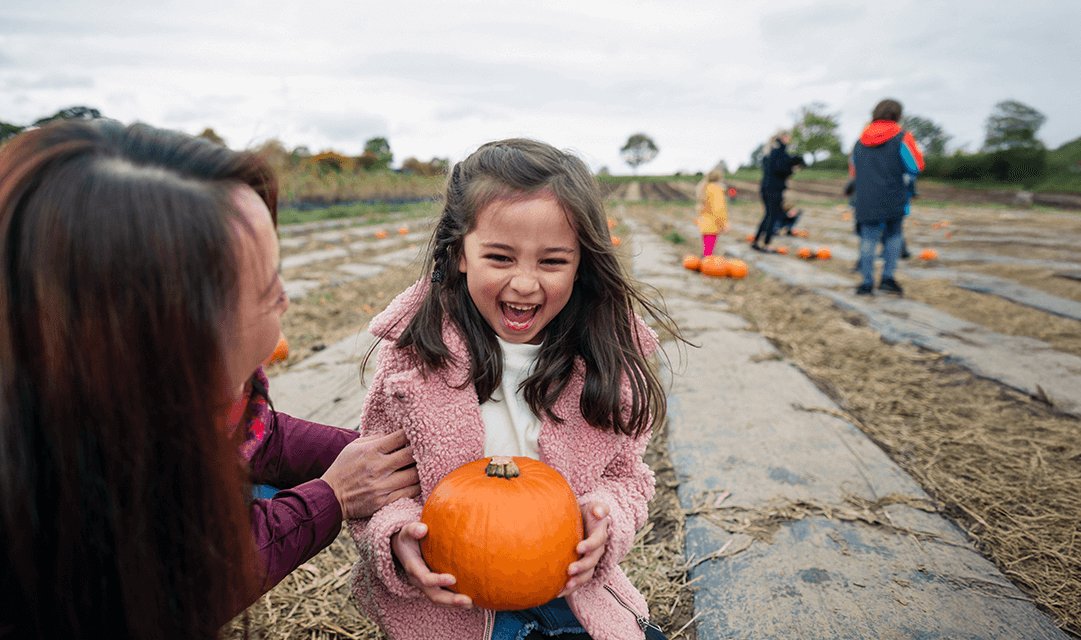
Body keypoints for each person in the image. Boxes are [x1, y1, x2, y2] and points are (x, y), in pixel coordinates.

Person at [0, 119, 419, 640]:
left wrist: (394, 459)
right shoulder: (67, 520)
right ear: (170, 331)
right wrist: (331, 496)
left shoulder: (135, 390)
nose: (285, 298)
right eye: (267, 289)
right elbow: (189, 577)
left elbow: (260, 438)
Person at [348, 138, 676, 640]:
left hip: (569, 594)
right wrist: (396, 537)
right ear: (459, 253)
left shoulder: (603, 361)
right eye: (500, 258)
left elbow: (628, 476)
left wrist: (607, 516)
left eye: (552, 262)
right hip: (450, 605)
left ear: (582, 263)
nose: (524, 284)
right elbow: (377, 485)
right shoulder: (414, 361)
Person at [848, 98, 924, 296]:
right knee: (893, 236)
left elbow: (853, 170)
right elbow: (916, 166)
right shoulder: (902, 137)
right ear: (897, 115)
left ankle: (866, 283)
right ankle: (887, 280)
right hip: (893, 195)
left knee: (868, 238)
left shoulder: (859, 141)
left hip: (865, 197)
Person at [751, 129, 804, 252]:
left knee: (768, 216)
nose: (790, 140)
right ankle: (765, 244)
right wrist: (792, 169)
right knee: (772, 216)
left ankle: (756, 241)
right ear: (783, 137)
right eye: (789, 137)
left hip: (766, 188)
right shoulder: (780, 151)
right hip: (774, 189)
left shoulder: (769, 151)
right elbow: (780, 169)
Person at [693, 164, 728, 257]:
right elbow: (718, 209)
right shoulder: (716, 190)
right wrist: (723, 224)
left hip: (704, 224)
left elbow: (700, 207)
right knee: (709, 253)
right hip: (713, 225)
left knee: (705, 250)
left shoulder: (704, 188)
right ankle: (706, 268)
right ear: (719, 178)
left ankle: (704, 264)